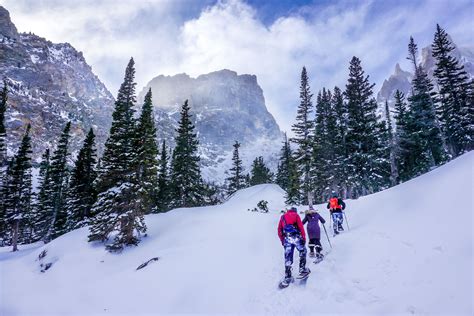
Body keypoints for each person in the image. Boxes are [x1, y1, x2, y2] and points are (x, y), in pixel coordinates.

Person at [277, 207, 309, 286]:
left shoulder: (283, 217)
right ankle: (302, 269)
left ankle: (288, 276)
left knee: (288, 257)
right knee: (303, 251)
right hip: (296, 238)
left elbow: (279, 230)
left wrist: (282, 241)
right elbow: (301, 227)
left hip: (287, 239)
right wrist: (304, 238)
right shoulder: (296, 215)